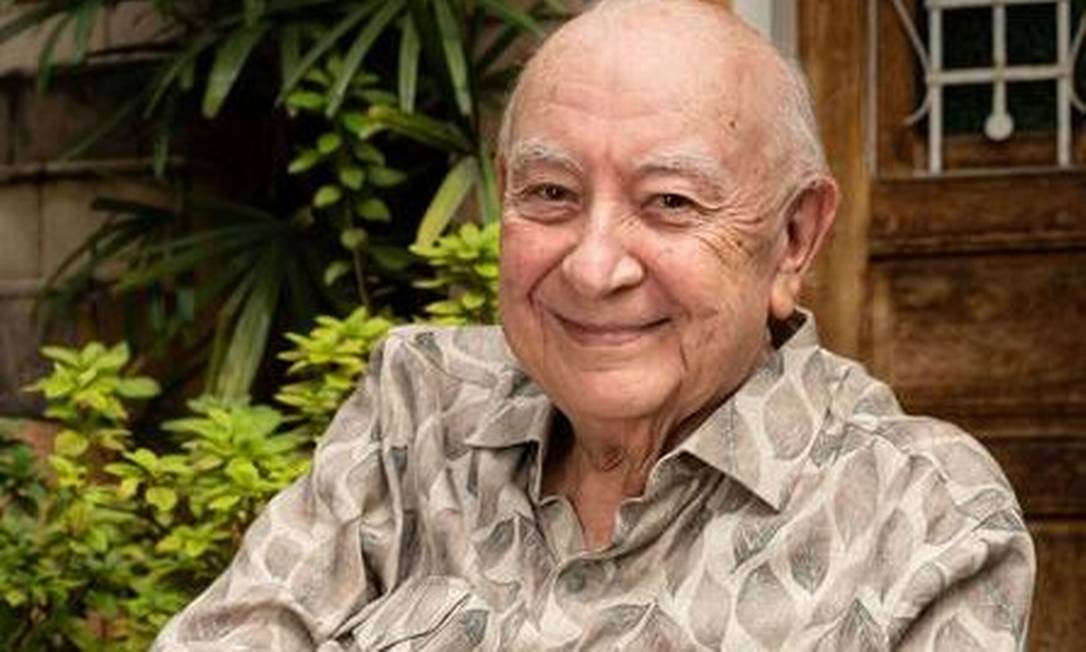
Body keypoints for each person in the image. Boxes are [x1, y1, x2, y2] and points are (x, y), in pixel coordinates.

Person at [154, 0, 1036, 649]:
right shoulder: (418, 411)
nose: (593, 265)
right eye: (551, 193)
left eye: (670, 201)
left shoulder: (921, 519)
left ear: (794, 238)